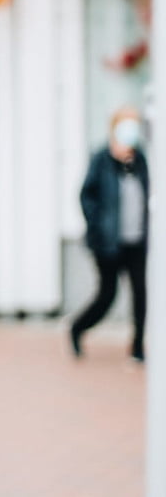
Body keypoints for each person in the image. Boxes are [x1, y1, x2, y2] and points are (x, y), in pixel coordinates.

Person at [70, 105, 149, 363]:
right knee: (107, 295)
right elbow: (86, 196)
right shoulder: (101, 159)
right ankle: (77, 328)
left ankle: (137, 347)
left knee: (140, 294)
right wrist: (98, 226)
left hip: (136, 240)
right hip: (108, 243)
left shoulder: (140, 160)